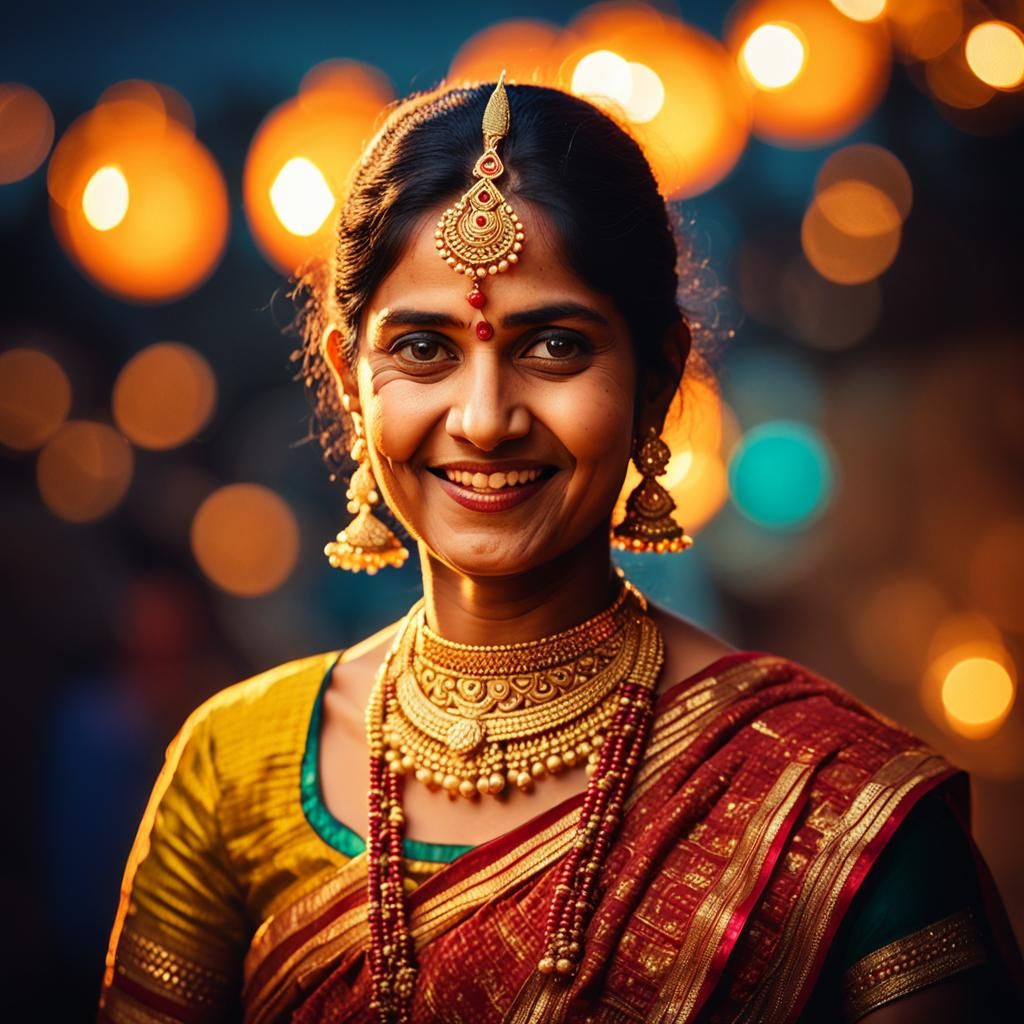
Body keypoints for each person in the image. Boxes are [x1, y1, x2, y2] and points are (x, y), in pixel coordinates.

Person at [97, 75, 1023, 1023]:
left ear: (657, 378)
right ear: (349, 379)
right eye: (423, 349)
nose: (486, 419)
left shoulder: (840, 810)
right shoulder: (230, 769)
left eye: (553, 347)